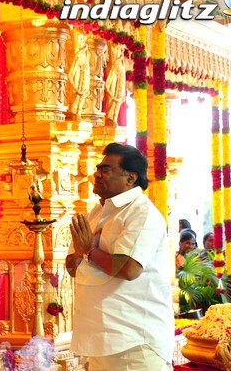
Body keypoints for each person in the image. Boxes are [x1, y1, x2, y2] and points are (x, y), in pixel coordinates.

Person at [65, 143, 173, 371]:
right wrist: (81, 253)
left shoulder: (141, 213)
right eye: (98, 168)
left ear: (131, 178)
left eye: (106, 169)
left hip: (133, 342)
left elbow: (129, 269)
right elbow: (73, 268)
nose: (97, 173)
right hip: (101, 339)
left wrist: (90, 252)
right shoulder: (98, 212)